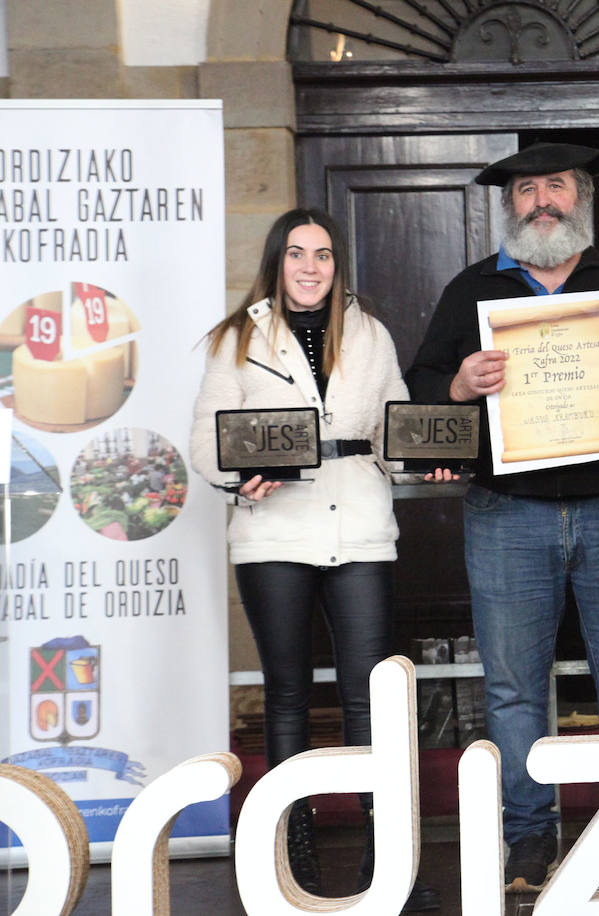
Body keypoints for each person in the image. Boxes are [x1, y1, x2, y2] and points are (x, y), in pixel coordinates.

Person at [406, 143, 599, 892]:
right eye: (528, 189)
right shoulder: (471, 291)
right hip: (507, 516)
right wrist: (459, 383)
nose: (542, 200)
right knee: (512, 690)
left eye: (557, 187)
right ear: (510, 206)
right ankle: (529, 842)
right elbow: (419, 388)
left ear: (582, 198)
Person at [189, 208, 439, 911]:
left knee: (371, 698)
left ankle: (387, 858)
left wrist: (431, 459)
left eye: (323, 255)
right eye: (297, 254)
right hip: (273, 532)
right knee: (289, 695)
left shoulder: (368, 331)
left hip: (360, 526)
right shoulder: (238, 338)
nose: (310, 266)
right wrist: (240, 474)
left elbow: (395, 427)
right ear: (276, 262)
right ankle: (289, 854)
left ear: (336, 264)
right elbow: (207, 439)